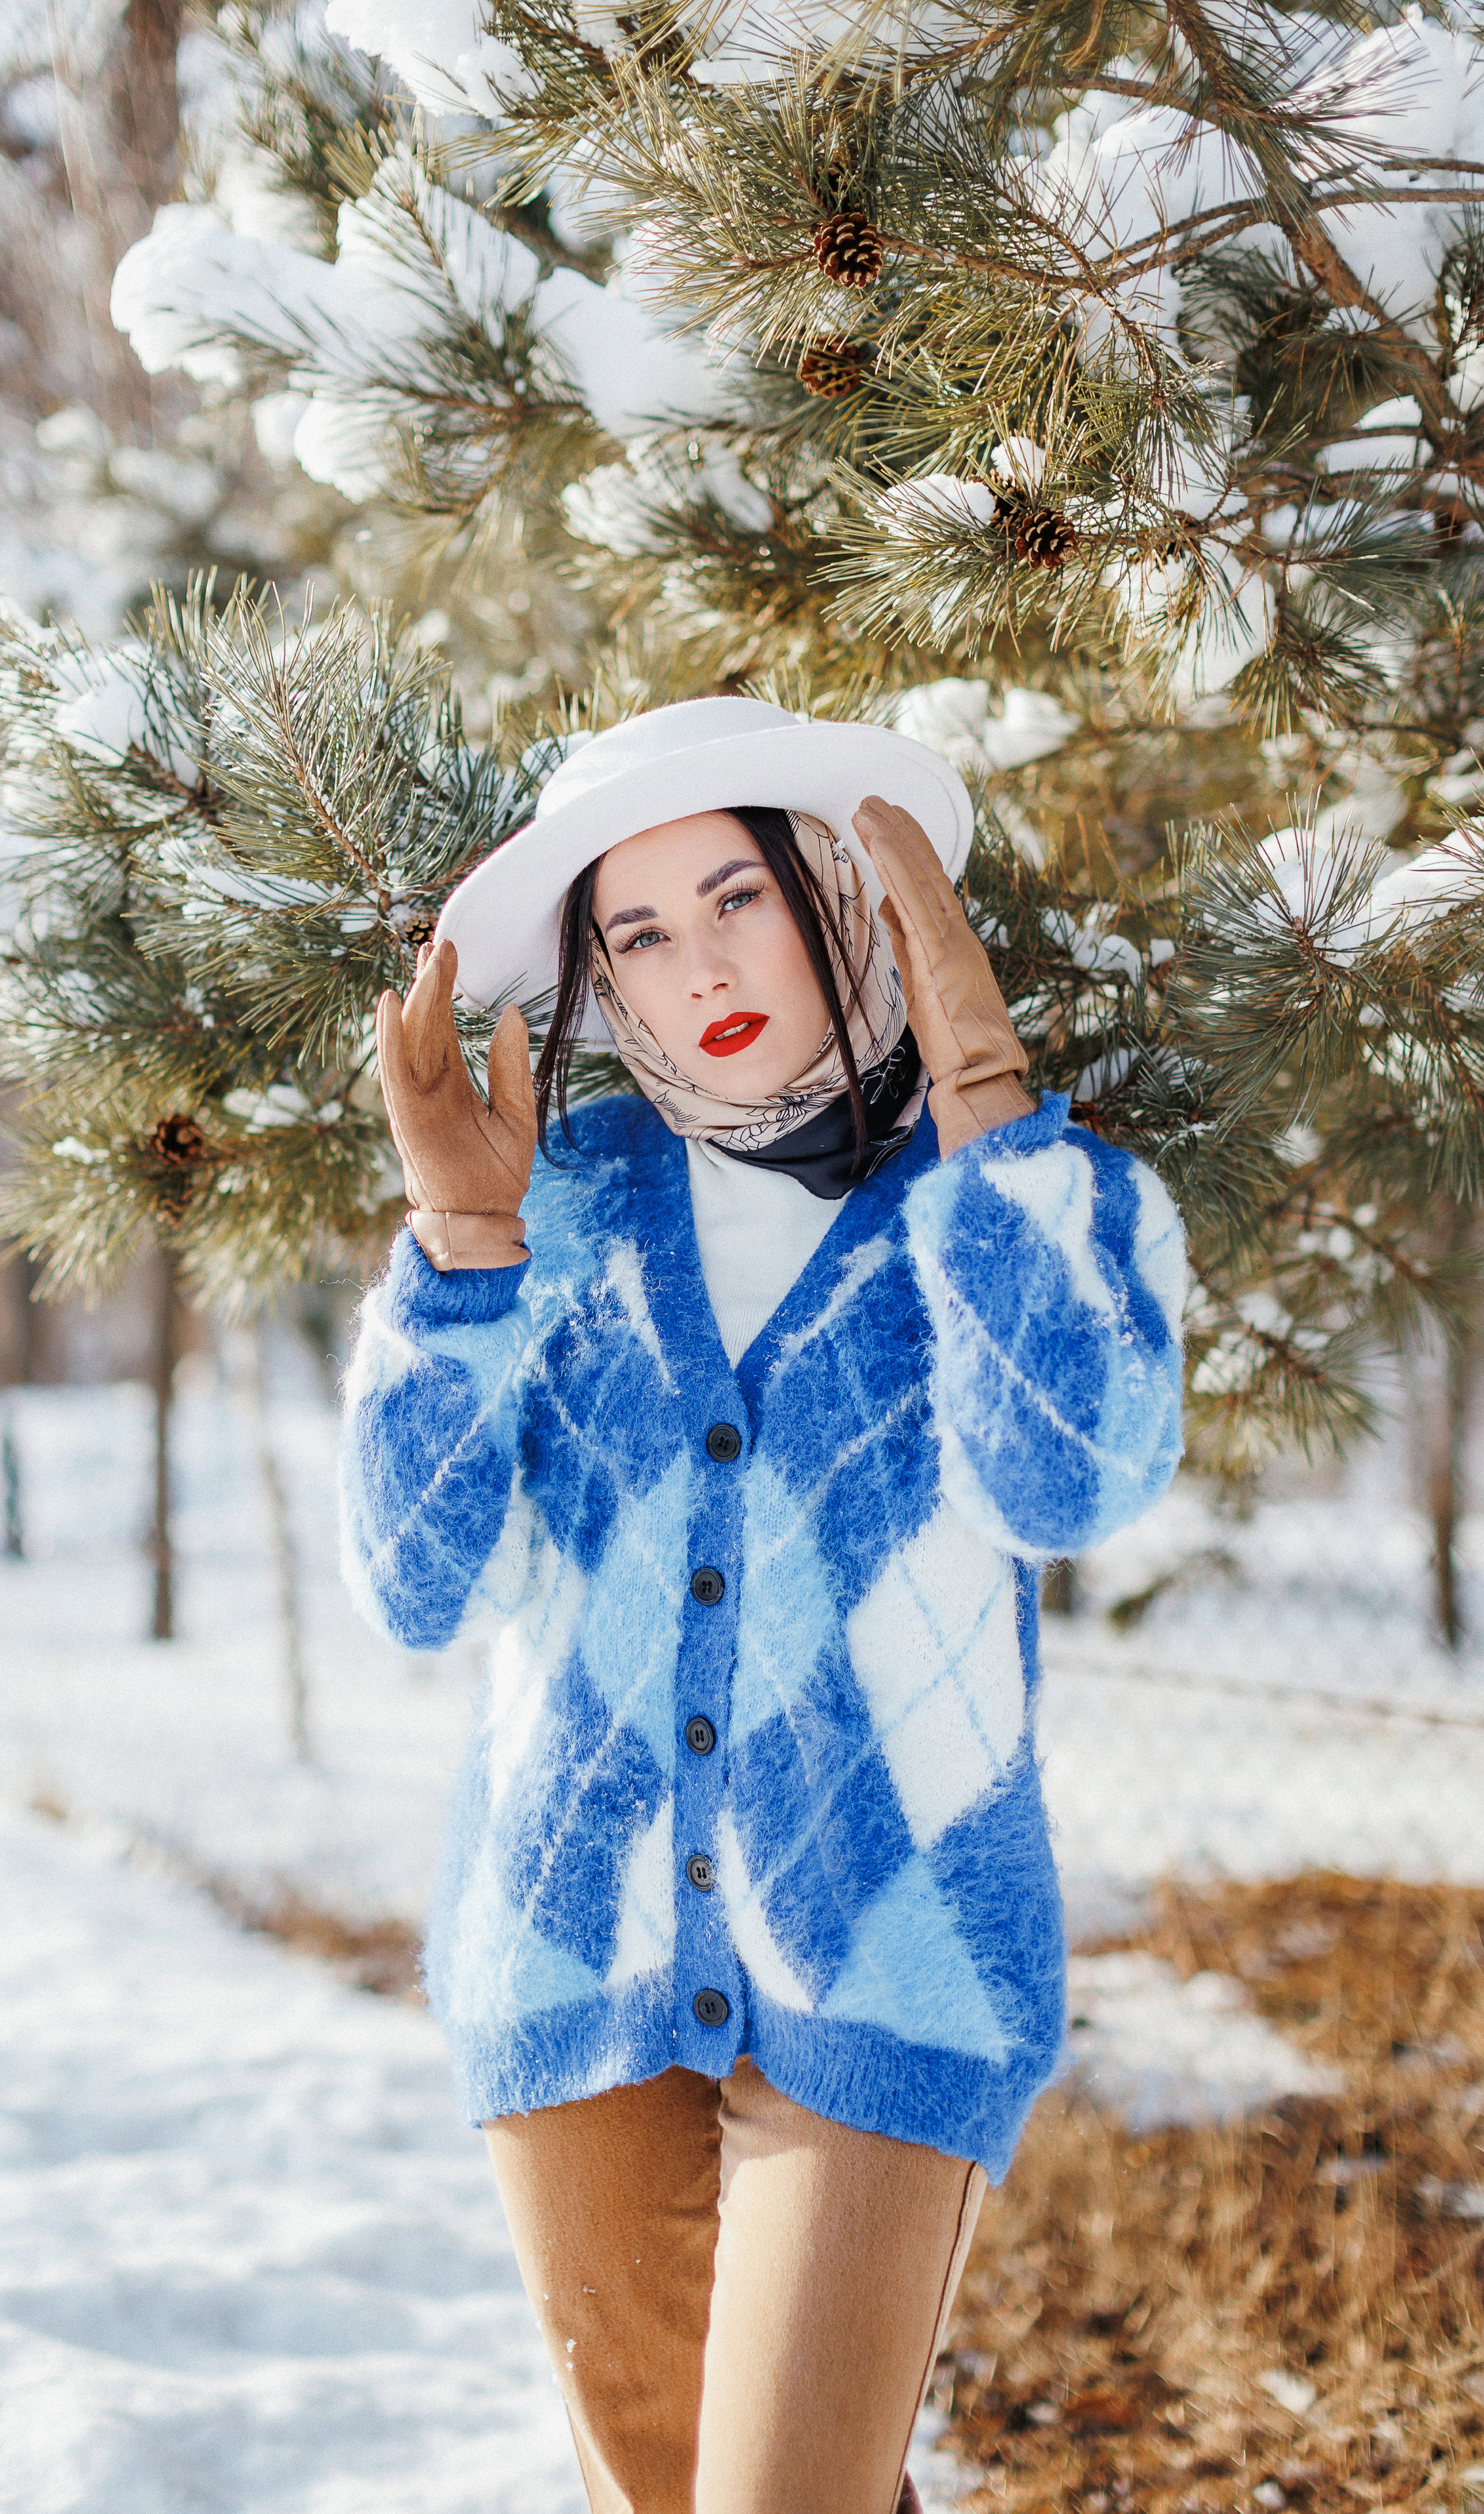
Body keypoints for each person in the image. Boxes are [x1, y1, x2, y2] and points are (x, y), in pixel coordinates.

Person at [341, 698, 1185, 2514]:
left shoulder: (1019, 1196)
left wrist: (985, 1116)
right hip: (571, 1949)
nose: (699, 963)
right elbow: (426, 1586)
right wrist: (461, 1250)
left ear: (842, 899)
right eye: (637, 934)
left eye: (739, 895)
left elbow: (1073, 1481)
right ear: (601, 989)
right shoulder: (552, 1208)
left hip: (900, 1955)